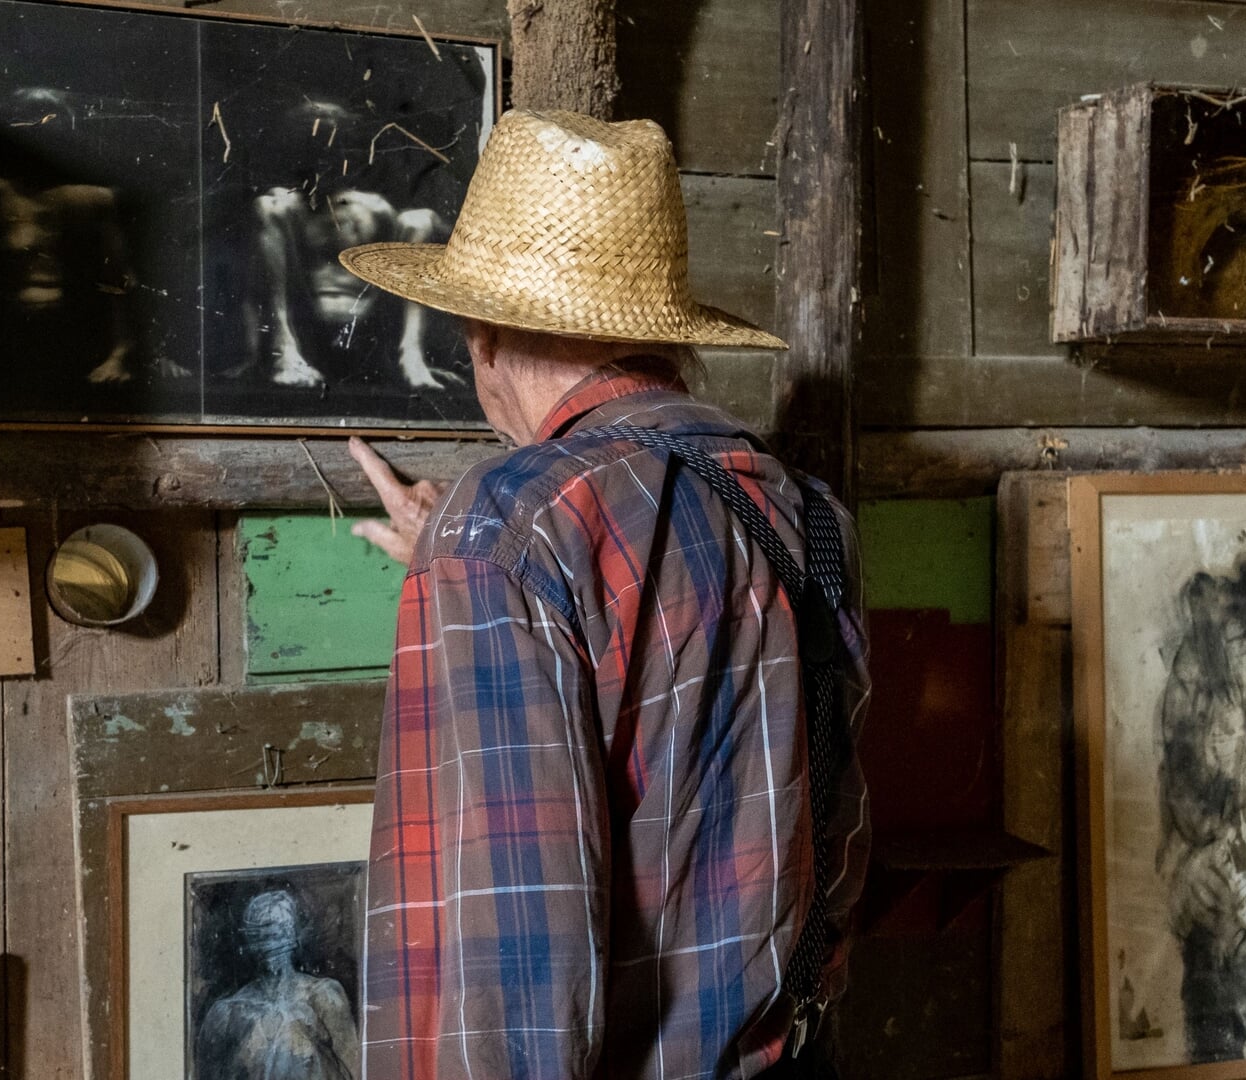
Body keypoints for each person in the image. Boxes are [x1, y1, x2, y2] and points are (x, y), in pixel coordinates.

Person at [337, 109, 872, 1080]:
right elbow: (830, 835)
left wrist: (474, 558)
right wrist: (469, 564)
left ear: (480, 330)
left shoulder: (504, 526)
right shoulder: (802, 511)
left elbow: (505, 955)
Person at [195, 889, 363, 1080]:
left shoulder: (323, 996)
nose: (270, 945)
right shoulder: (227, 1012)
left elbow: (353, 1068)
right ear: (249, 941)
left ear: (291, 935)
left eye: (276, 934)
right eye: (260, 935)